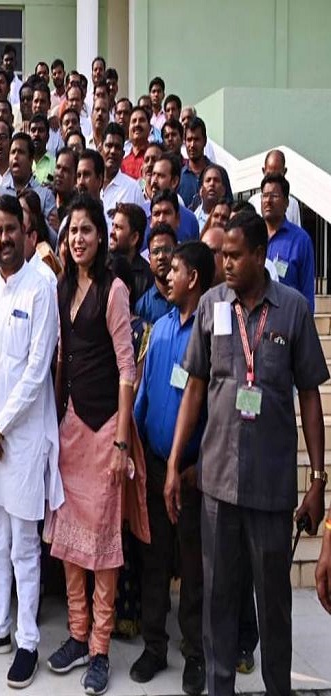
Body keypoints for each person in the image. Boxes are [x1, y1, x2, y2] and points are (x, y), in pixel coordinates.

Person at [165, 210, 328, 696]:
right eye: (222, 255)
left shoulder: (293, 309)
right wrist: (174, 463)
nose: (226, 263)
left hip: (271, 488)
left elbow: (311, 396)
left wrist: (318, 479)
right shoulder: (212, 305)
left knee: (273, 605)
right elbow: (195, 386)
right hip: (217, 483)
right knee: (217, 603)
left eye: (235, 255)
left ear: (260, 255)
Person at [47, 194, 149, 696]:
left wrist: (122, 443)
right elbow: (62, 357)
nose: (78, 239)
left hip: (108, 429)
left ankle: (101, 647)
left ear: (102, 238)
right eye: (72, 231)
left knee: (104, 547)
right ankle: (77, 633)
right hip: (70, 427)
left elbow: (127, 368)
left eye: (87, 230)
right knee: (70, 542)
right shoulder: (63, 286)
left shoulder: (114, 289)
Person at [0, 195, 60, 690]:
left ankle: (27, 640)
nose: (2, 238)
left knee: (23, 545)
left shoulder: (41, 287)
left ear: (26, 232)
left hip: (20, 442)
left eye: (10, 229)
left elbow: (38, 370)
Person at [131, 241, 215, 695]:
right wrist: (136, 447)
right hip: (155, 464)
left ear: (194, 279)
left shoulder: (211, 332)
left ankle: (195, 654)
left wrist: (195, 466)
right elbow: (144, 392)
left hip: (191, 474)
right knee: (154, 559)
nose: (167, 274)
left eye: (176, 269)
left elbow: (215, 407)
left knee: (193, 566)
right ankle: (154, 646)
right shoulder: (160, 328)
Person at [260, 173, 315, 311]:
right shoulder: (251, 236)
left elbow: (307, 291)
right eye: (265, 195)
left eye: (274, 196)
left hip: (288, 317)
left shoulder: (301, 241)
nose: (268, 201)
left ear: (286, 202)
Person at [110, 202, 153, 307]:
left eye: (118, 228)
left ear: (134, 238)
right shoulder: (100, 266)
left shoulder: (147, 277)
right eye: (112, 226)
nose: (112, 232)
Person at [248, 150, 301, 227]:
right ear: (263, 171)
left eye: (278, 175)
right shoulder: (253, 202)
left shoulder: (292, 204)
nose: (273, 180)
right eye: (269, 174)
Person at [135, 224, 176, 324]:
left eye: (167, 250)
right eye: (156, 252)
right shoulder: (142, 307)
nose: (161, 256)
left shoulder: (189, 298)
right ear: (149, 259)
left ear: (177, 252)